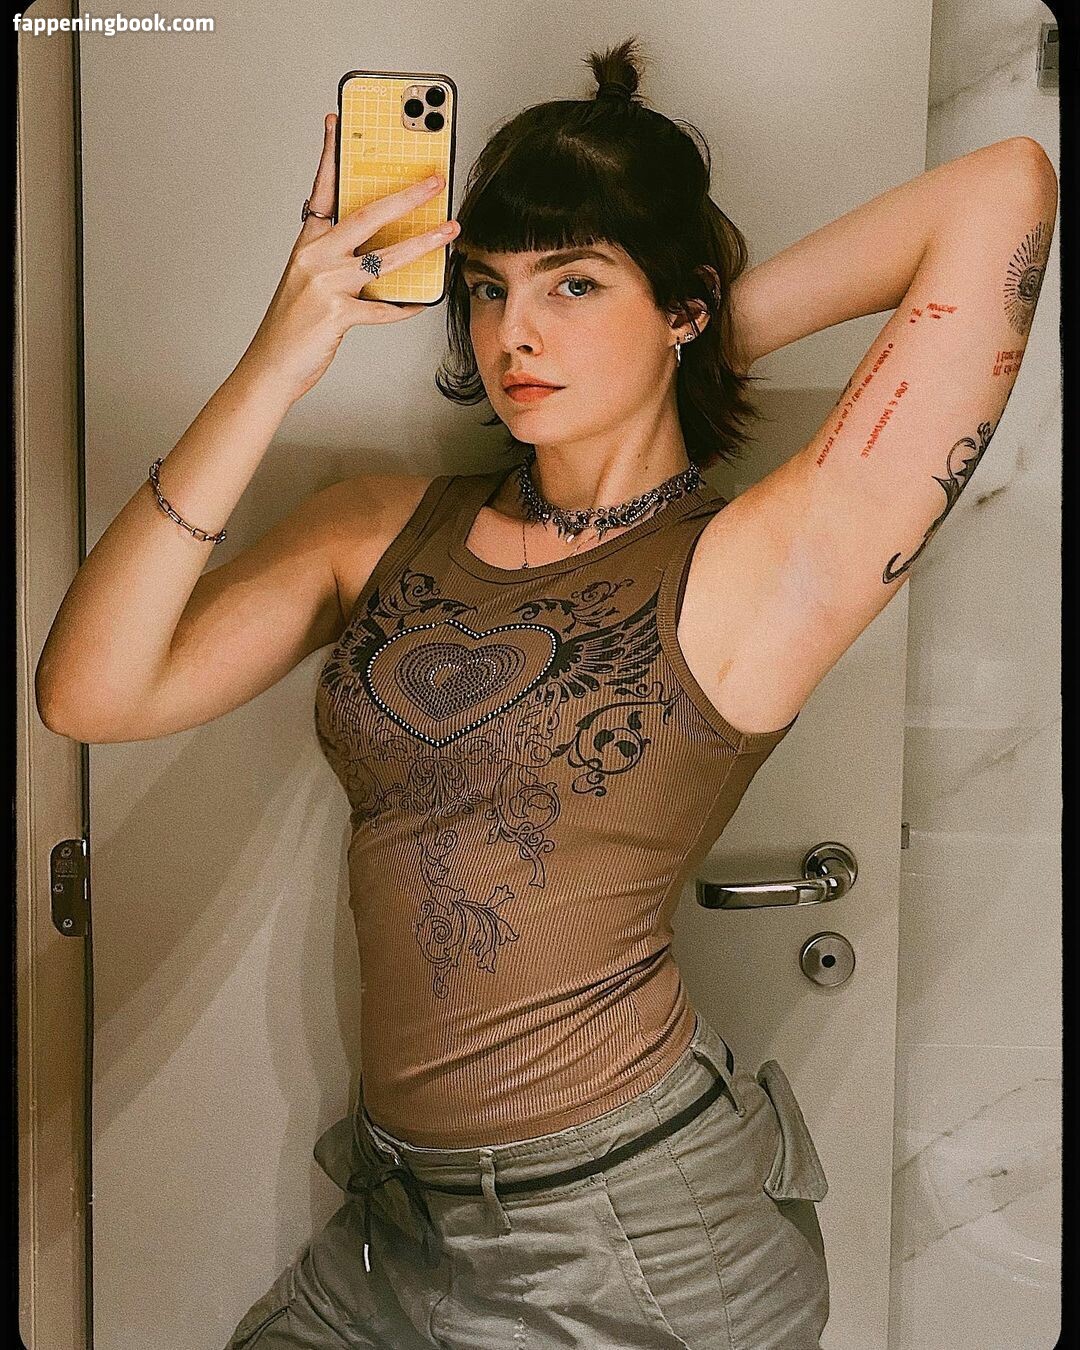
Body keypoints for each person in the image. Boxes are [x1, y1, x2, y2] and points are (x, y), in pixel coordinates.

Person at [35, 31, 1056, 1350]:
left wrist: (694, 337)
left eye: (574, 283)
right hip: (396, 1221)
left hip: (632, 1238)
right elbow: (90, 693)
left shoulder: (755, 570)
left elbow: (1006, 187)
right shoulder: (380, 526)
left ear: (682, 300)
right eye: (488, 288)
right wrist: (279, 359)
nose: (514, 332)